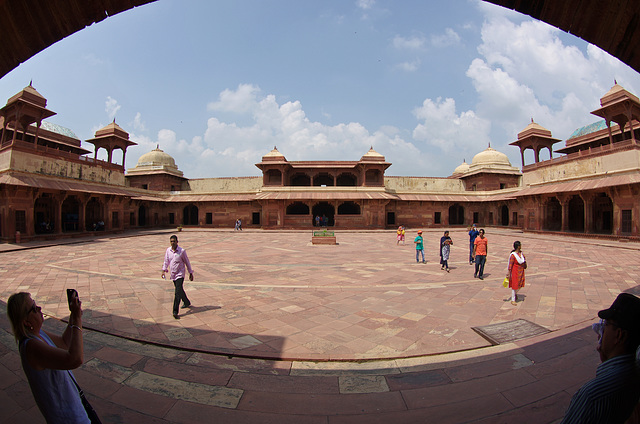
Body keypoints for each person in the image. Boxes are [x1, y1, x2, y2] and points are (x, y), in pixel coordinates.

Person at [7, 291, 91, 423]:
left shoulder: (38, 334)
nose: (39, 309)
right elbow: (75, 359)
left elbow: (64, 344)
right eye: (34, 308)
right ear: (26, 322)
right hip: (67, 418)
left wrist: (73, 318)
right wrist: (78, 321)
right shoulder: (32, 347)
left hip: (74, 410)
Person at [561, 293, 640, 424]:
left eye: (606, 325)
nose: (600, 334)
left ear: (619, 335)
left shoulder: (591, 395)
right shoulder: (635, 373)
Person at [162, 235, 194, 319]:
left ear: (177, 242)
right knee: (179, 290)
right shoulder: (168, 250)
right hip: (173, 274)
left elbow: (187, 262)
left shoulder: (181, 251)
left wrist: (190, 272)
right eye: (171, 241)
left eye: (174, 241)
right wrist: (163, 270)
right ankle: (186, 302)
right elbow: (166, 261)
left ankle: (175, 311)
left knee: (177, 292)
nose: (172, 243)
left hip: (180, 274)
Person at [506, 240, 526, 305]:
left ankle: (515, 294)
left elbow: (524, 261)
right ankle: (513, 299)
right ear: (518, 246)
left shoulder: (521, 254)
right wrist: (508, 273)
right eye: (520, 245)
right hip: (515, 271)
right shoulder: (513, 255)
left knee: (520, 284)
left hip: (521, 271)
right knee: (515, 285)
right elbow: (510, 264)